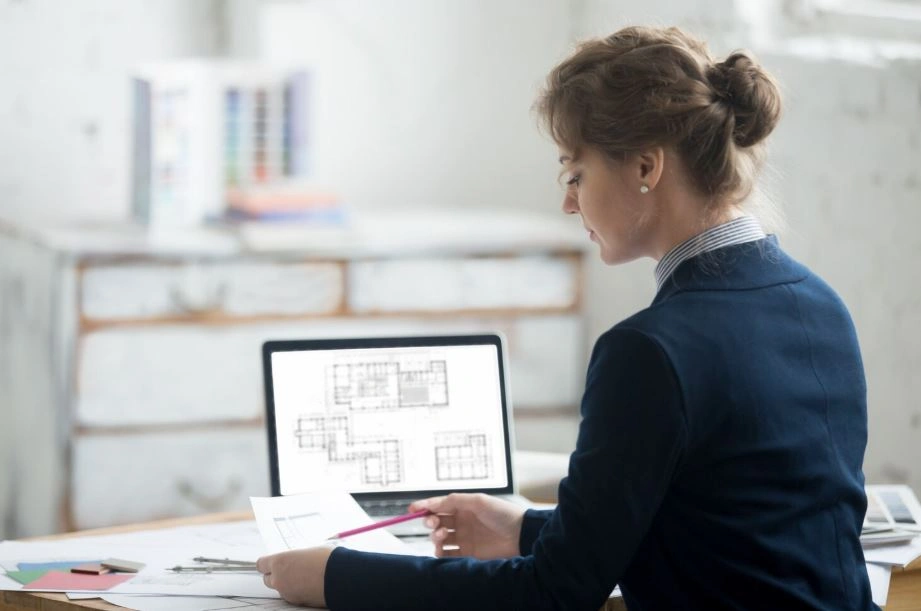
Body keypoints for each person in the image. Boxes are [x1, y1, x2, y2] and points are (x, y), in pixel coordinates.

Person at [256, 25, 876, 610]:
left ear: (644, 167)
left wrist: (336, 576)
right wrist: (525, 525)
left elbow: (553, 594)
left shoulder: (649, 352)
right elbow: (718, 524)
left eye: (575, 172)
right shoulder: (822, 305)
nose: (567, 200)